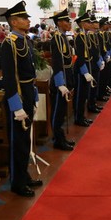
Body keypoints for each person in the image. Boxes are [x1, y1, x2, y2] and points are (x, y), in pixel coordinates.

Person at [0, 1, 43, 197]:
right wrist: (16, 106)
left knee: (25, 140)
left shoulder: (25, 40)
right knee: (18, 141)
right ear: (14, 22)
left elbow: (29, 72)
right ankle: (17, 182)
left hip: (27, 92)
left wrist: (33, 95)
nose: (28, 21)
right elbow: (9, 77)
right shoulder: (9, 43)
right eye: (24, 18)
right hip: (17, 95)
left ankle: (24, 175)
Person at [48, 8, 76, 150]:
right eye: (66, 21)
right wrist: (60, 83)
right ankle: (58, 139)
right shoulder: (57, 38)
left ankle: (60, 137)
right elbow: (57, 62)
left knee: (62, 111)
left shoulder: (63, 37)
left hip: (66, 77)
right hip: (61, 79)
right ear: (59, 23)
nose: (69, 23)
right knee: (58, 112)